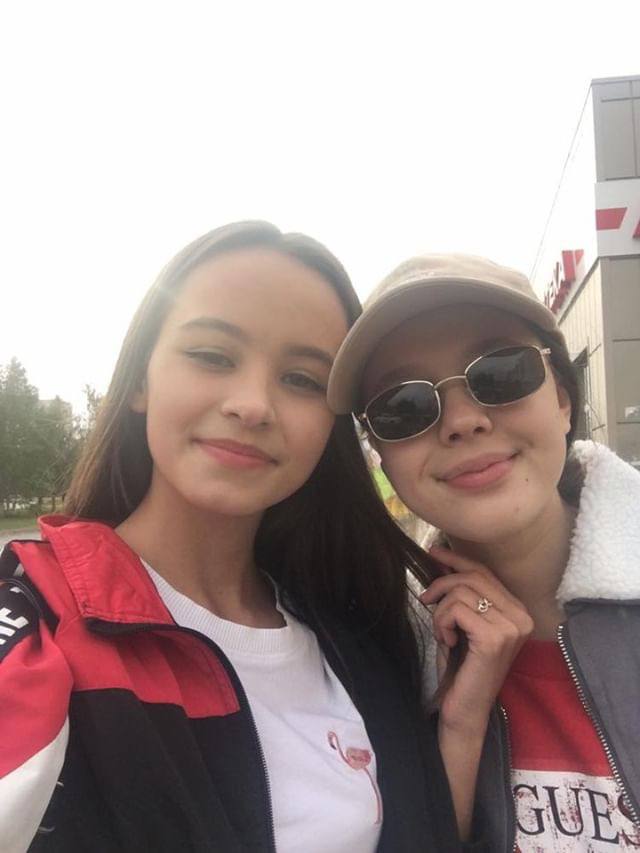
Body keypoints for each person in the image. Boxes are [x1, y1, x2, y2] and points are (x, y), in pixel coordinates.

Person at [0, 223, 477, 853]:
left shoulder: (362, 630)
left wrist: (464, 722)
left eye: (302, 380)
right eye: (212, 356)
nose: (253, 405)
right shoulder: (37, 621)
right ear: (141, 380)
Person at [328, 253, 640, 851]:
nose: (463, 421)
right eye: (403, 407)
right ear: (380, 455)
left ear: (562, 399)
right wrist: (460, 730)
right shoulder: (381, 658)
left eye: (500, 372)